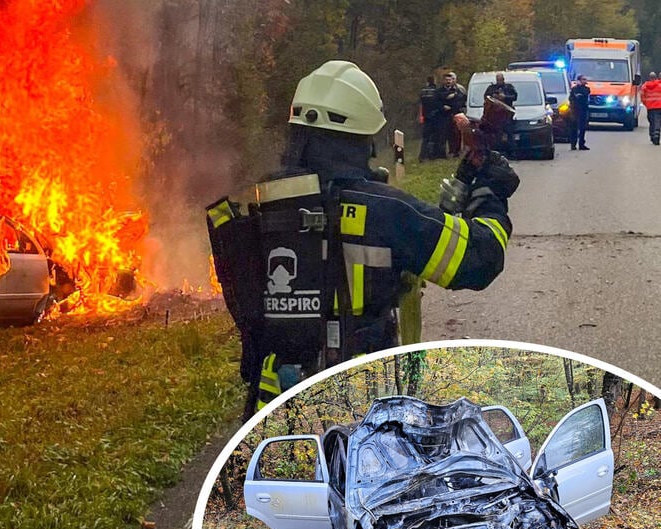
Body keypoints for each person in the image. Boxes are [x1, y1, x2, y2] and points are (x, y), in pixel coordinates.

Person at [206, 61, 519, 417]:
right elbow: (478, 260)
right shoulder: (388, 212)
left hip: (274, 415)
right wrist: (491, 194)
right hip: (359, 410)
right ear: (361, 136)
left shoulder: (265, 204)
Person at [484, 73, 519, 155]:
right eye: (498, 80)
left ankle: (512, 152)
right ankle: (497, 151)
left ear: (503, 79)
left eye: (500, 79)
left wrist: (505, 97)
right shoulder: (491, 88)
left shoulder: (509, 87)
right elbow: (486, 97)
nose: (499, 81)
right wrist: (494, 96)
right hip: (495, 115)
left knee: (509, 133)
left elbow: (515, 97)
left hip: (506, 114)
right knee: (496, 134)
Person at [437, 71, 467, 157]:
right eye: (446, 80)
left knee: (455, 135)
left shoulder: (458, 90)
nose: (448, 82)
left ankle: (455, 152)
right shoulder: (439, 91)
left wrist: (453, 100)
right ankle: (442, 154)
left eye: (450, 80)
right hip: (443, 116)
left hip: (454, 115)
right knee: (442, 135)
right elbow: (436, 101)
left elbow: (461, 101)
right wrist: (443, 106)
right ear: (443, 81)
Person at [419, 76, 443, 160]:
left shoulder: (423, 92)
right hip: (435, 117)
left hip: (426, 117)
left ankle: (422, 156)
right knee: (435, 137)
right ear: (434, 81)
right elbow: (439, 103)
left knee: (425, 138)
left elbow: (421, 104)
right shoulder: (436, 91)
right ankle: (433, 155)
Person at [568, 75, 591, 150]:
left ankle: (581, 144)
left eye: (585, 79)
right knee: (574, 128)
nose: (585, 81)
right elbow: (572, 98)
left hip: (583, 110)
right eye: (583, 79)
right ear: (579, 80)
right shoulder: (574, 89)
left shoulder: (587, 89)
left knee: (582, 128)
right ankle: (573, 144)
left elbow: (583, 96)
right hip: (575, 110)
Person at [642, 71, 661, 145]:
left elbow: (642, 96)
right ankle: (656, 135)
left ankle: (653, 135)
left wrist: (646, 104)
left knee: (652, 121)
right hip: (659, 106)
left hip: (650, 107)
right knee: (657, 121)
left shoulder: (645, 86)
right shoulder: (659, 85)